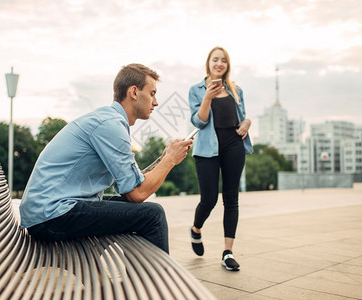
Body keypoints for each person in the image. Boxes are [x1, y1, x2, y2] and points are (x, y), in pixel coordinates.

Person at [19, 63, 193, 254]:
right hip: (51, 215)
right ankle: (156, 283)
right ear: (134, 92)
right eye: (152, 93)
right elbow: (137, 194)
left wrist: (164, 158)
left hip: (48, 212)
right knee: (153, 215)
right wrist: (170, 161)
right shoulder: (111, 126)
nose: (156, 102)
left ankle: (138, 281)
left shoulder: (109, 121)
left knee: (135, 210)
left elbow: (132, 185)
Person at [188, 46, 253, 271]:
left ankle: (227, 252)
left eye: (223, 61)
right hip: (207, 149)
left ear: (227, 65)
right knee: (209, 199)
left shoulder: (236, 90)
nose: (219, 64)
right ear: (208, 63)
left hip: (233, 146)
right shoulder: (196, 90)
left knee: (231, 198)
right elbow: (199, 122)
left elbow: (242, 118)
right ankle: (196, 229)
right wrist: (207, 96)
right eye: (215, 60)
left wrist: (247, 123)